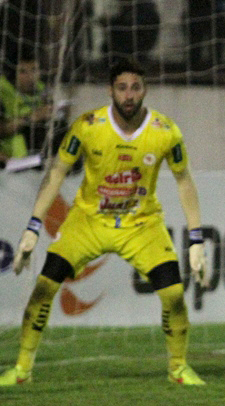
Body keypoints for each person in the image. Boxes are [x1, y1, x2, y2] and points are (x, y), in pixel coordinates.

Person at [0, 58, 209, 386]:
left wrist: (196, 239)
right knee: (43, 288)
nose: (129, 95)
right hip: (87, 222)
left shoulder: (165, 131)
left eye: (135, 87)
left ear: (145, 89)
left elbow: (184, 181)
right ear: (111, 90)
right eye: (122, 88)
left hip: (141, 225)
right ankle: (22, 370)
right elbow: (56, 172)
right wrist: (33, 228)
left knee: (173, 295)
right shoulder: (88, 125)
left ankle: (179, 368)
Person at [0, 52, 59, 162]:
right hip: (10, 158)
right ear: (12, 75)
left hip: (36, 154)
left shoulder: (42, 90)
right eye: (22, 72)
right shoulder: (2, 92)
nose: (30, 77)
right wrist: (30, 118)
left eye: (34, 70)